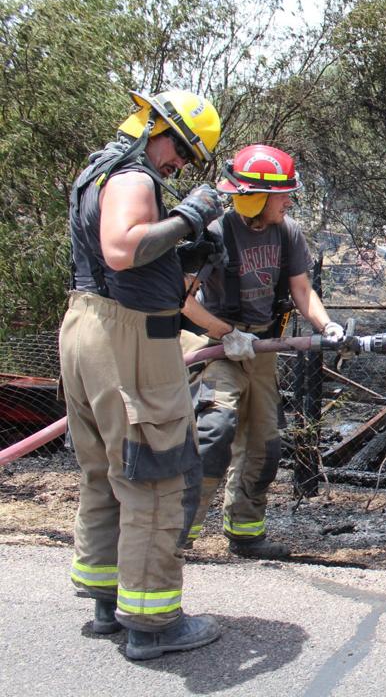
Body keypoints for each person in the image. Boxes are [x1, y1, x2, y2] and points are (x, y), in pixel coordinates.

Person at [60, 89, 225, 660]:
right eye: (180, 149)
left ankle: (107, 602)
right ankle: (152, 624)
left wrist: (189, 247)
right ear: (158, 129)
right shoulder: (134, 178)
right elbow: (123, 250)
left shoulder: (95, 172)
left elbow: (118, 262)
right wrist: (192, 213)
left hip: (87, 329)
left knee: (107, 470)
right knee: (154, 476)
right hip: (129, 339)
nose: (179, 163)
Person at [180, 144, 343, 559]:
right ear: (256, 196)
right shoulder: (215, 233)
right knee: (214, 434)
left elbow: (302, 291)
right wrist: (226, 333)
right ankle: (178, 536)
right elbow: (183, 299)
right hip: (217, 349)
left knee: (265, 447)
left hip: (262, 348)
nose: (288, 201)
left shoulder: (286, 231)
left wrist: (327, 325)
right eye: (283, 193)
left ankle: (246, 532)